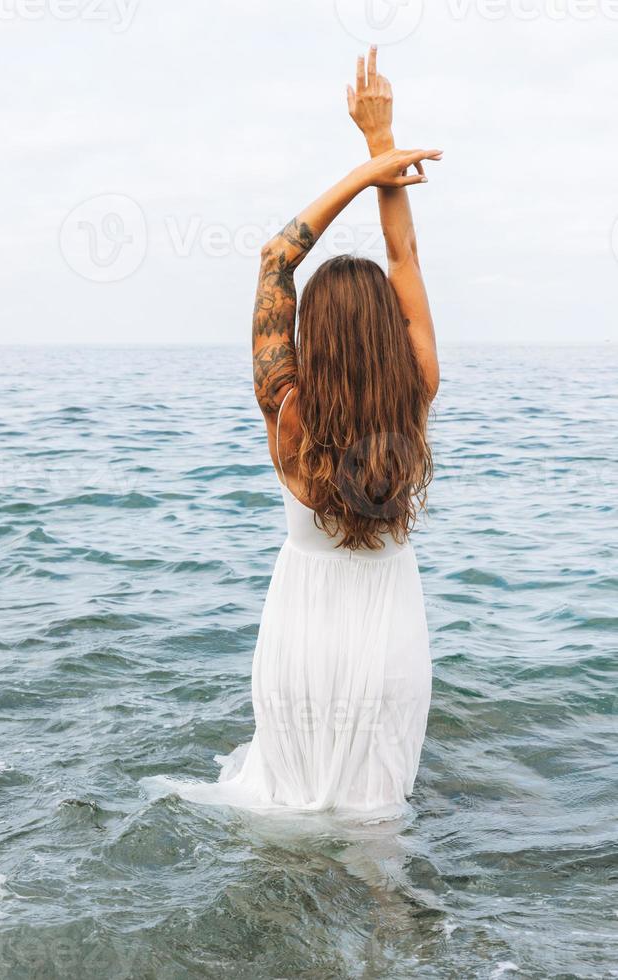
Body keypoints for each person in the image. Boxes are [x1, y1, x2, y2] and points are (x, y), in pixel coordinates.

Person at [149, 48, 442, 815]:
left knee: (288, 806)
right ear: (387, 333)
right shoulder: (416, 392)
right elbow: (404, 256)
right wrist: (384, 148)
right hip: (390, 635)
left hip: (301, 637)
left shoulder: (287, 413)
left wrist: (361, 169)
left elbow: (277, 258)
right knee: (380, 825)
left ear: (312, 332)